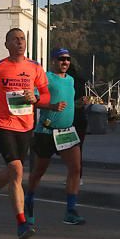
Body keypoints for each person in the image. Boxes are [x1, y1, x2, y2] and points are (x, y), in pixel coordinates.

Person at [0, 28, 50, 239]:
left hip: (26, 126)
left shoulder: (35, 67)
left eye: (22, 39)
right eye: (15, 39)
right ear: (6, 44)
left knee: (13, 172)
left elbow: (45, 95)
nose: (20, 42)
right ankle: (21, 223)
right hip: (2, 124)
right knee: (16, 170)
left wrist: (35, 97)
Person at [24, 48, 85, 226]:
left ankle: (70, 211)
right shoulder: (46, 77)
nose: (65, 62)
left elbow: (66, 102)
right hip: (46, 132)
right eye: (61, 59)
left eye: (67, 59)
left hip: (66, 132)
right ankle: (28, 201)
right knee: (39, 172)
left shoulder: (71, 80)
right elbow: (34, 99)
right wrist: (51, 106)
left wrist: (77, 104)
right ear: (53, 61)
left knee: (75, 169)